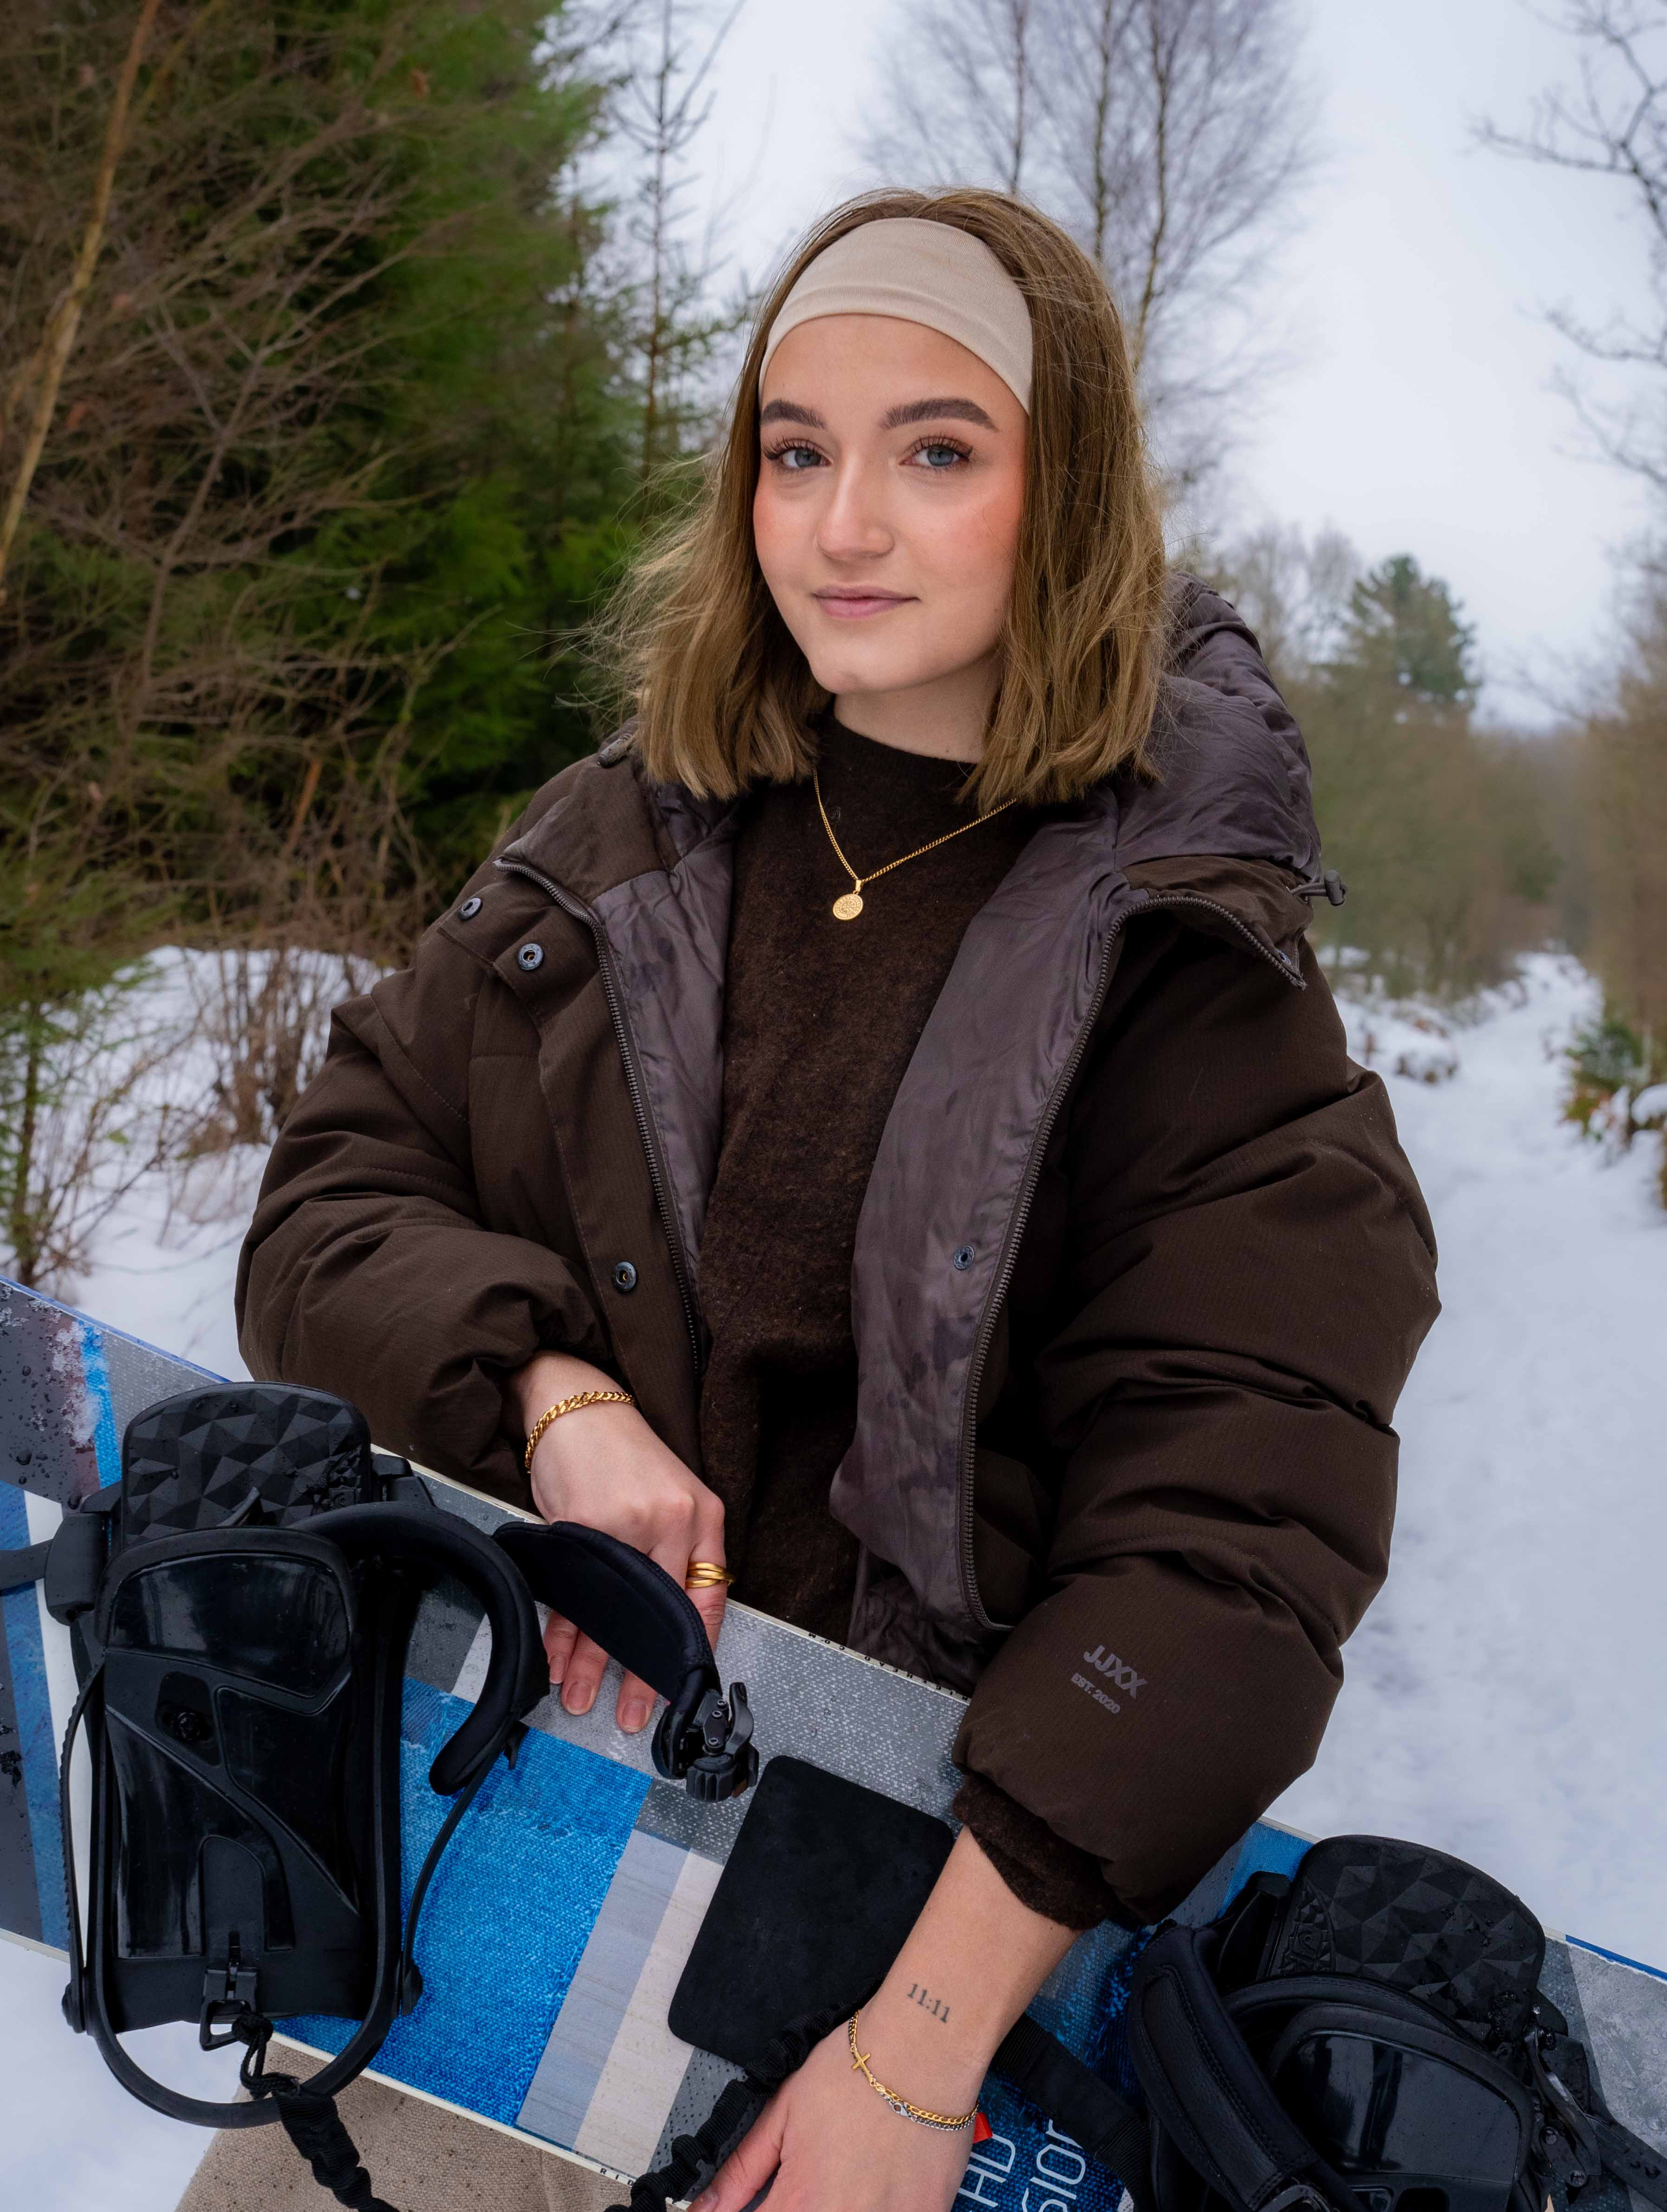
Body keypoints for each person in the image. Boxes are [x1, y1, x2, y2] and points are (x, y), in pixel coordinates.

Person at [220, 188, 1438, 2212]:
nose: (842, 523)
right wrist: (546, 1385)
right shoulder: (614, 842)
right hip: (476, 1892)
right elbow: (334, 1192)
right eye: (798, 449)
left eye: (935, 450)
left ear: (1073, 495)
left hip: (888, 1993)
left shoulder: (1195, 973)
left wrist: (916, 2054)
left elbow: (1232, 1550)